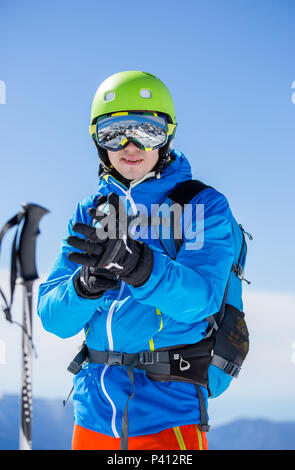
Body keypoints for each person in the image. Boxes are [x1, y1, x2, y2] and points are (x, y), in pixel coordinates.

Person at [37, 71, 243, 451]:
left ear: (167, 136)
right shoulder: (91, 210)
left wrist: (142, 268)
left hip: (168, 410)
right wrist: (84, 288)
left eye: (147, 131)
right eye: (114, 132)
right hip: (94, 412)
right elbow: (53, 319)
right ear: (98, 140)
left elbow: (202, 299)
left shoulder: (199, 205)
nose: (130, 145)